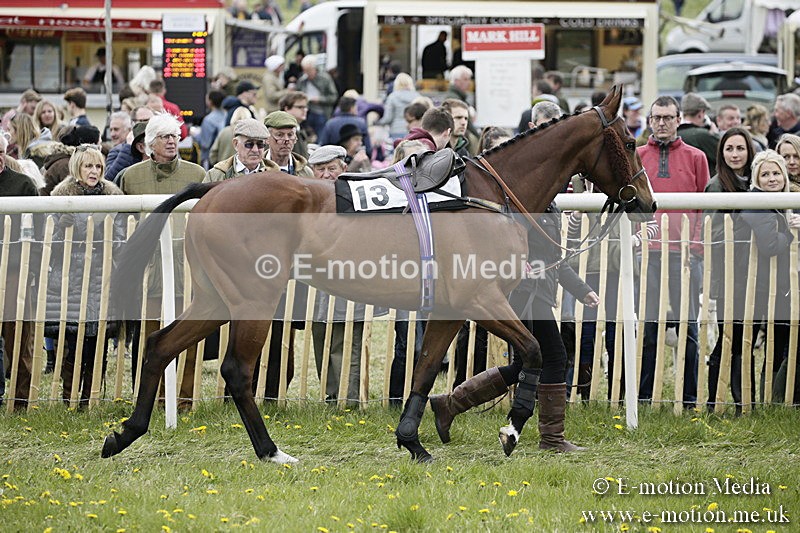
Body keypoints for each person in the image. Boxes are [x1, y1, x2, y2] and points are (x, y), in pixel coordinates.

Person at [429, 198, 599, 453]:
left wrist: (582, 290)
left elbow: (555, 260)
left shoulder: (549, 206)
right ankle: (551, 439)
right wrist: (516, 263)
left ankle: (450, 405)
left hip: (538, 293)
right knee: (555, 357)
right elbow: (498, 243)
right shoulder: (524, 204)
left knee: (522, 364)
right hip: (526, 293)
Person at [119, 113, 206, 409]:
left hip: (188, 267)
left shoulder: (196, 174)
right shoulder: (131, 177)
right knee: (149, 334)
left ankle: (185, 398)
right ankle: (151, 397)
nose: (171, 141)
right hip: (148, 270)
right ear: (149, 143)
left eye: (175, 136)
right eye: (165, 137)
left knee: (190, 335)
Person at [637, 95, 709, 408]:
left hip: (685, 253)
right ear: (649, 121)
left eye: (668, 117)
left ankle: (690, 398)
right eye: (657, 118)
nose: (663, 123)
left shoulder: (696, 157)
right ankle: (643, 396)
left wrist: (695, 246)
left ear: (679, 119)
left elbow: (704, 207)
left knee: (688, 327)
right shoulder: (638, 155)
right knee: (649, 327)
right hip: (650, 253)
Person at [46, 145, 125, 406]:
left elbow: (121, 241)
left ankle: (89, 398)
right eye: (89, 166)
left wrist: (112, 235)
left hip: (101, 277)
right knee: (69, 340)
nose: (94, 171)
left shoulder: (113, 198)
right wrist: (61, 228)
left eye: (99, 166)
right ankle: (68, 396)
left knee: (97, 339)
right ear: (77, 167)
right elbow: (50, 245)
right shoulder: (60, 197)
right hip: (69, 277)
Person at [737, 150, 800, 404]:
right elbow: (771, 244)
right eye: (765, 174)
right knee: (755, 341)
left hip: (779, 283)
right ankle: (762, 397)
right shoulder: (756, 204)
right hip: (759, 285)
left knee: (782, 339)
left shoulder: (785, 202)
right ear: (756, 178)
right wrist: (791, 234)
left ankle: (776, 397)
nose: (772, 179)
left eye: (776, 173)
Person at [306, 144, 366, 403]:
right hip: (317, 280)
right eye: (321, 170)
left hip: (349, 277)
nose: (327, 174)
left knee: (347, 337)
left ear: (343, 168)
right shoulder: (307, 199)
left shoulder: (355, 195)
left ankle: (347, 397)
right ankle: (331, 394)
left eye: (332, 168)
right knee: (321, 335)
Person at [704, 127, 757, 414]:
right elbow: (710, 232)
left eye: (740, 148)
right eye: (729, 149)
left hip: (755, 275)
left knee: (746, 340)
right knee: (730, 339)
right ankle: (719, 400)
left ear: (749, 150)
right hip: (730, 275)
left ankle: (745, 401)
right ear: (721, 153)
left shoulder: (756, 183)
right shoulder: (716, 186)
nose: (735, 154)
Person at [0, 133, 39, 410]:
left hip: (15, 270)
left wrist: (32, 269)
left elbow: (36, 231)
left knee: (18, 334)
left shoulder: (23, 184)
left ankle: (20, 398)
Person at [204, 118, 270, 182]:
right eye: (249, 144)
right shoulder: (215, 176)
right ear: (236, 144)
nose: (255, 150)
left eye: (260, 144)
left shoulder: (274, 173)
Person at [105, 107, 154, 183]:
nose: (112, 134)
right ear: (132, 124)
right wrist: (128, 148)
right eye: (143, 121)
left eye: (152, 121)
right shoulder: (117, 151)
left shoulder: (163, 144)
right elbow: (109, 180)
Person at [294, 54, 338, 137]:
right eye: (305, 70)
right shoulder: (302, 80)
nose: (306, 73)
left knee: (321, 137)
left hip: (322, 113)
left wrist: (320, 99)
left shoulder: (325, 78)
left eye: (309, 70)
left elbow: (333, 97)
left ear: (315, 68)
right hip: (306, 113)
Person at [678, 93, 719, 176]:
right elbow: (723, 155)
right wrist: (715, 134)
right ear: (700, 114)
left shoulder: (675, 133)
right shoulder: (703, 135)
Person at [263, 111, 314, 177]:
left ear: (296, 138)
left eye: (290, 135)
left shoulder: (306, 173)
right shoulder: (256, 170)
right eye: (279, 135)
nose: (286, 140)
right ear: (267, 139)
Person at [378, 73, 420, 140]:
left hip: (396, 131)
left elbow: (388, 118)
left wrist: (378, 122)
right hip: (413, 131)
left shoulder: (392, 97)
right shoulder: (417, 97)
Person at [196, 91, 227, 169]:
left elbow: (205, 144)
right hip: (225, 158)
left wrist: (195, 135)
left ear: (210, 102)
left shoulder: (208, 120)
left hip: (210, 160)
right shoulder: (227, 116)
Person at [279, 91, 311, 159]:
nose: (305, 110)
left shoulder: (299, 129)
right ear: (286, 109)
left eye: (305, 107)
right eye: (300, 107)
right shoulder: (282, 132)